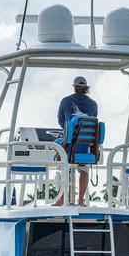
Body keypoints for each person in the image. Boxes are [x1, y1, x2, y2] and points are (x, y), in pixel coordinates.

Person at [53, 76, 98, 206]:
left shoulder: (65, 101)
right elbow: (93, 122)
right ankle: (81, 201)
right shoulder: (93, 104)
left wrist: (71, 132)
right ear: (86, 89)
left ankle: (61, 198)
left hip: (69, 145)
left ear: (74, 87)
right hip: (85, 147)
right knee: (84, 168)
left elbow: (61, 121)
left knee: (61, 159)